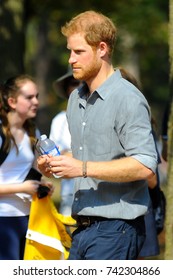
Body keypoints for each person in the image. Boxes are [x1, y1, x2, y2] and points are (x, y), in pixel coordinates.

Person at [37, 10, 158, 260]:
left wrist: (80, 167)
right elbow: (88, 157)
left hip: (118, 229)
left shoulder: (128, 98)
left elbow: (145, 165)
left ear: (102, 49)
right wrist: (57, 164)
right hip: (81, 227)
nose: (70, 59)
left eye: (78, 52)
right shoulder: (74, 98)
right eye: (69, 51)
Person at [0, 74, 53, 260]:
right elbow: (20, 183)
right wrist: (21, 188)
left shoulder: (33, 132)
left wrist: (41, 185)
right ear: (12, 101)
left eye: (37, 96)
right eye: (29, 97)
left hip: (29, 218)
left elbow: (30, 174)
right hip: (3, 220)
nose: (36, 102)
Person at [49, 67, 81, 215]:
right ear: (67, 89)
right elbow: (53, 159)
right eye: (74, 83)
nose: (79, 87)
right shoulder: (60, 120)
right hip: (69, 191)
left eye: (83, 82)